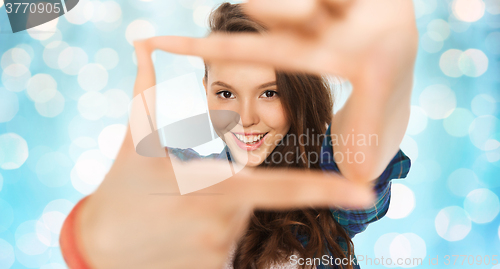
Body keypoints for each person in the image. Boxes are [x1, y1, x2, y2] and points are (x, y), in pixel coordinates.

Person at [59, 0, 417, 268]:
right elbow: (105, 238)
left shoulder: (324, 183)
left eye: (269, 92)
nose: (244, 119)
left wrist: (388, 65)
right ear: (205, 88)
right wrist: (96, 235)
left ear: (298, 92)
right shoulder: (182, 175)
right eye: (225, 94)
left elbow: (362, 150)